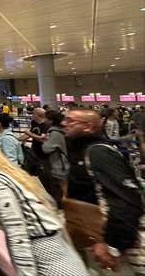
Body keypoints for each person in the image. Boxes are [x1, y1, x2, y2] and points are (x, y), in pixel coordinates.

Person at [0, 137, 89, 275]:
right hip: (58, 250)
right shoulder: (9, 174)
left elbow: (16, 231)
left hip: (44, 256)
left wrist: (25, 273)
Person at [63, 109, 144, 272]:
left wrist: (111, 245)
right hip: (94, 236)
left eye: (71, 121)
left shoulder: (98, 152)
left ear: (89, 127)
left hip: (114, 243)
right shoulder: (83, 152)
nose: (64, 123)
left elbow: (125, 200)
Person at [41, 110, 69, 207]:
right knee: (64, 187)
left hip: (60, 165)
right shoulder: (62, 130)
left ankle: (66, 207)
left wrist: (45, 140)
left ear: (51, 120)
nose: (44, 120)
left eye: (46, 118)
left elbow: (46, 148)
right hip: (65, 163)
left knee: (62, 188)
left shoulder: (54, 132)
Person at [19, 107, 49, 177]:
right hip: (34, 151)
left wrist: (29, 133)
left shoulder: (46, 125)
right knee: (29, 172)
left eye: (33, 113)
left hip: (43, 154)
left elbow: (42, 139)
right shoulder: (34, 123)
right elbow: (29, 134)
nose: (32, 115)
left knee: (43, 175)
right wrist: (17, 139)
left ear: (39, 115)